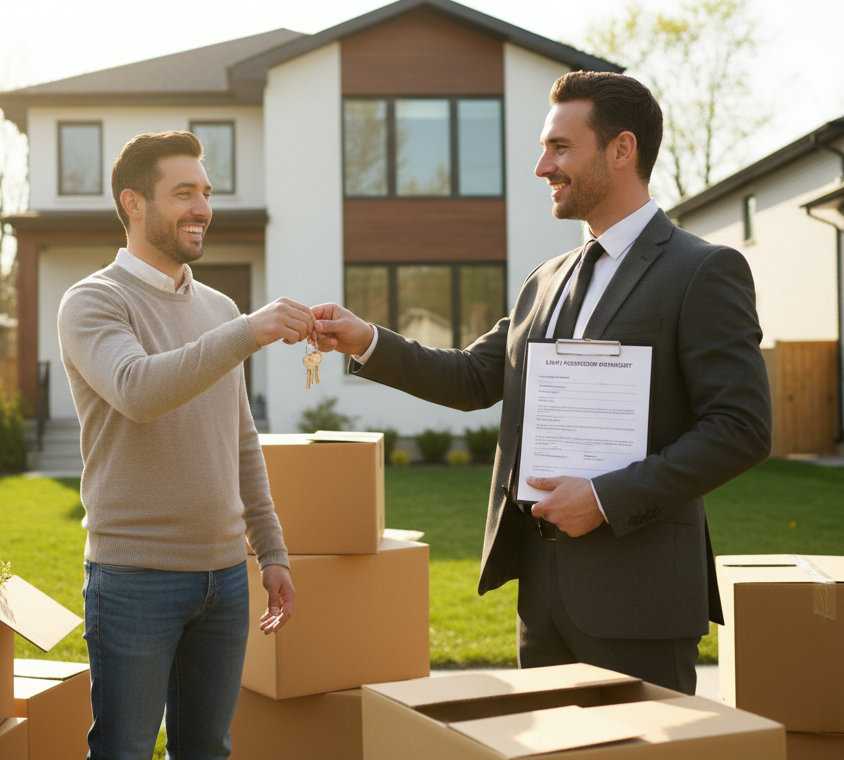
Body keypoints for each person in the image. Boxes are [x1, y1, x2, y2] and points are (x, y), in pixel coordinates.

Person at [312, 72, 770, 695]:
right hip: (542, 593)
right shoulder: (546, 279)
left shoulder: (703, 270)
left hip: (639, 595)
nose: (540, 167)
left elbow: (740, 429)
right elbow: (476, 376)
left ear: (621, 149)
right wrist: (365, 338)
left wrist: (606, 497)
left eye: (559, 148)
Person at [57, 131, 310, 760]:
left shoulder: (218, 307)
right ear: (134, 203)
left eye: (205, 192)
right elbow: (136, 389)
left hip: (223, 579)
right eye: (183, 193)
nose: (202, 206)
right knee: (122, 756)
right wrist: (248, 332)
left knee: (205, 756)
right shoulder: (94, 301)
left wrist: (270, 550)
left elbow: (241, 440)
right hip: (133, 577)